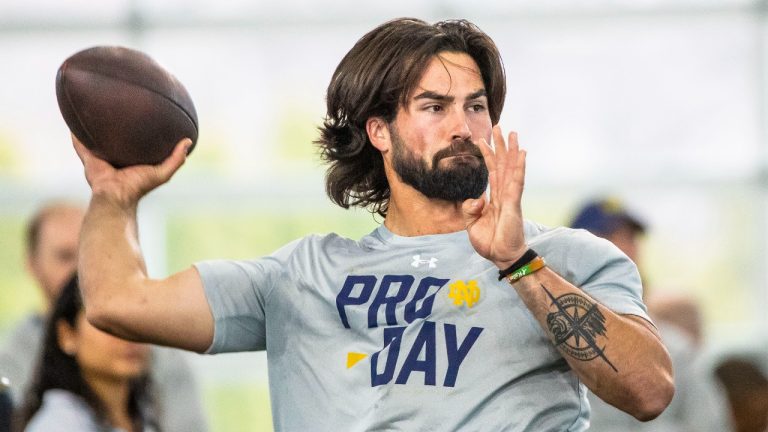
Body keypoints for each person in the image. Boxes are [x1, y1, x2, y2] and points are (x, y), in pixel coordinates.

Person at [72, 18, 674, 430]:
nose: (463, 126)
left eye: (477, 106)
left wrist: (520, 266)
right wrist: (113, 199)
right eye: (434, 107)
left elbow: (649, 390)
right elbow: (119, 301)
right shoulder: (301, 275)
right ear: (378, 131)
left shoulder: (563, 256)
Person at [0, 202, 208, 432]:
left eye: (89, 254)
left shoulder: (160, 362)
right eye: (105, 326)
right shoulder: (14, 366)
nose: (81, 269)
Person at [570, 197, 730, 431]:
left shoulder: (676, 349)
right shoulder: (550, 341)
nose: (624, 249)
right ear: (571, 250)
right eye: (607, 238)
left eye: (631, 239)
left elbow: (711, 424)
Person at [15, 273, 157, 431]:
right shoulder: (58, 426)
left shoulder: (145, 415)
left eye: (139, 319)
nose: (129, 334)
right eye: (109, 322)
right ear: (67, 335)